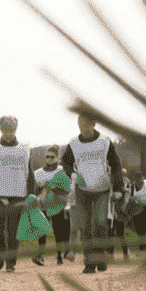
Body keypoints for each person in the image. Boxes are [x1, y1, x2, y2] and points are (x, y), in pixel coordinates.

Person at [61, 114, 124, 274]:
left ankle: (101, 256)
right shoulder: (74, 143)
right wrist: (73, 175)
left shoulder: (104, 141)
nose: (82, 129)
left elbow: (116, 165)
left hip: (101, 189)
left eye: (85, 126)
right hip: (82, 191)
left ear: (94, 123)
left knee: (100, 224)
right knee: (85, 227)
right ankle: (89, 263)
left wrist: (117, 188)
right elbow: (66, 162)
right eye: (79, 125)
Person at [0, 116, 36, 273]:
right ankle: (0, 252)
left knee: (14, 230)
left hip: (18, 194)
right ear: (0, 130)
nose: (8, 134)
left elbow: (30, 173)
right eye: (5, 130)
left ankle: (11, 262)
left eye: (11, 130)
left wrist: (32, 194)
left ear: (15, 130)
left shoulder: (24, 149)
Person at [33, 145, 70, 266]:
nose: (48, 159)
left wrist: (54, 187)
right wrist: (38, 188)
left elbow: (67, 190)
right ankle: (40, 255)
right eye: (47, 156)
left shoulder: (62, 171)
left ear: (57, 157)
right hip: (42, 204)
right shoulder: (38, 173)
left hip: (58, 205)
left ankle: (59, 256)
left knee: (58, 230)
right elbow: (34, 192)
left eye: (51, 157)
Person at [107, 168, 132, 261]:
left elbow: (125, 195)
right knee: (110, 233)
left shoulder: (124, 183)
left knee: (120, 233)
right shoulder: (109, 183)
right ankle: (110, 254)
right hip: (110, 212)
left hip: (119, 212)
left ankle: (126, 252)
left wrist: (122, 207)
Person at [128, 169, 146, 255]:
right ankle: (143, 248)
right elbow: (131, 198)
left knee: (142, 229)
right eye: (137, 179)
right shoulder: (132, 186)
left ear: (142, 178)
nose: (138, 181)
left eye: (140, 178)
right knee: (138, 230)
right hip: (136, 210)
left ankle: (143, 249)